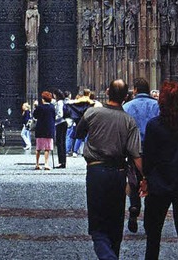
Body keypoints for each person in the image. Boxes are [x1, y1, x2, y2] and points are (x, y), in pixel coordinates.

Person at [75, 79, 142, 259]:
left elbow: (78, 134)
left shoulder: (92, 113)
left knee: (98, 227)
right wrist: (146, 179)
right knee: (115, 225)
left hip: (96, 172)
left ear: (106, 92)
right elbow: (136, 155)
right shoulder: (129, 121)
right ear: (126, 97)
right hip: (118, 174)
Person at [141, 81, 178, 260]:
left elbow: (148, 156)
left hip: (159, 183)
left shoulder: (154, 125)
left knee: (154, 232)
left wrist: (146, 178)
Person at [123, 77, 160, 232]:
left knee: (134, 180)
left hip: (134, 151)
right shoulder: (157, 105)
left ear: (135, 90)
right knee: (152, 182)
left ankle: (134, 206)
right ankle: (149, 219)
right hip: (153, 151)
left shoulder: (127, 106)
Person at [33, 91, 56, 170]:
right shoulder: (52, 107)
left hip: (40, 128)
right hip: (49, 129)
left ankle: (37, 164)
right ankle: (46, 164)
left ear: (43, 99)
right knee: (47, 148)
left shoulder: (40, 107)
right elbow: (54, 117)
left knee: (38, 148)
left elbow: (35, 116)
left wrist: (35, 106)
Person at [54, 89, 68, 168]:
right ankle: (63, 162)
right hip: (63, 123)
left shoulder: (59, 103)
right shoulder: (63, 102)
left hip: (60, 123)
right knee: (62, 143)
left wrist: (54, 118)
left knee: (60, 143)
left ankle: (62, 162)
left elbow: (60, 114)